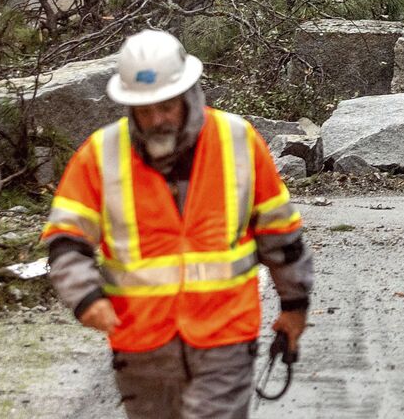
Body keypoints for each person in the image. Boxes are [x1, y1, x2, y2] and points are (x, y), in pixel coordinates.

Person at [40, 29, 313, 418]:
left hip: (224, 338)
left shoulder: (238, 141)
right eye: (145, 110)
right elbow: (65, 241)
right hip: (141, 344)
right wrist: (85, 297)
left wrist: (295, 304)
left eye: (166, 106)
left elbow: (281, 234)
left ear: (189, 95)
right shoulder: (100, 154)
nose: (157, 120)